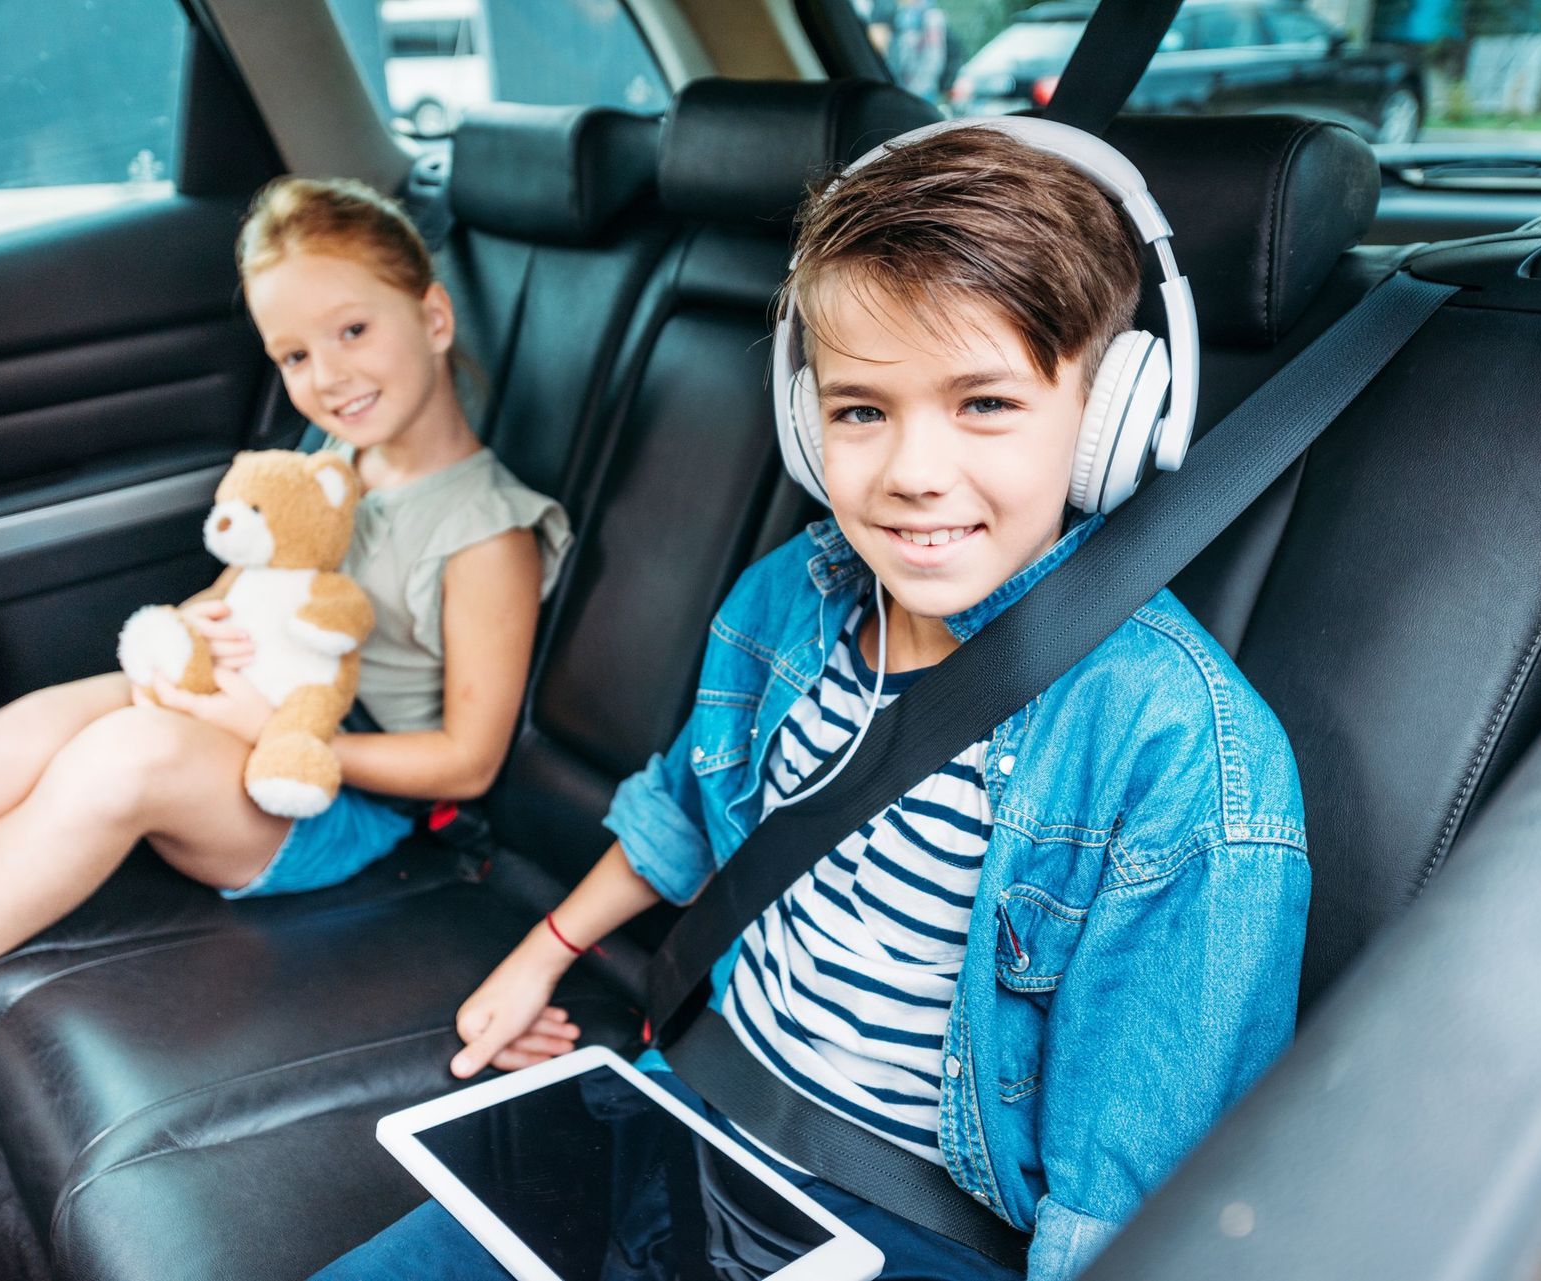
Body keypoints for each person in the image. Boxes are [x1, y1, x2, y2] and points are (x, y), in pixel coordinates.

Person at [318, 123, 1311, 1281]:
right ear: (805, 421)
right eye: (860, 411)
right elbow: (688, 808)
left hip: (920, 1224)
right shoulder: (790, 599)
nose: (912, 474)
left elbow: (1130, 1197)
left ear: (1109, 421)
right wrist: (544, 951)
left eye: (984, 404)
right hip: (693, 1110)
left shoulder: (1178, 753)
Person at [0, 176, 571, 1260]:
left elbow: (466, 762)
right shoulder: (329, 470)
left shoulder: (485, 531)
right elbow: (235, 598)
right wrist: (197, 644)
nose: (328, 376)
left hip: (344, 802)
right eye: (296, 356)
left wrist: (276, 730)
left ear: (433, 315)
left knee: (126, 753)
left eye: (352, 330)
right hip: (252, 727)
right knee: (23, 732)